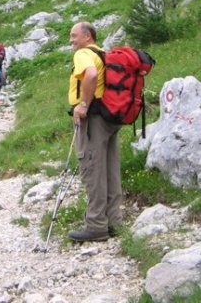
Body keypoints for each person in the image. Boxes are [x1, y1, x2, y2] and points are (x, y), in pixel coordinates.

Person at [67, 21, 122, 242]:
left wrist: (82, 105)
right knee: (110, 168)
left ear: (87, 36)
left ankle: (96, 225)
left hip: (94, 119)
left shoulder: (83, 54)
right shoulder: (102, 53)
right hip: (109, 118)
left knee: (92, 168)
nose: (71, 40)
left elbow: (89, 75)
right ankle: (114, 221)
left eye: (74, 36)